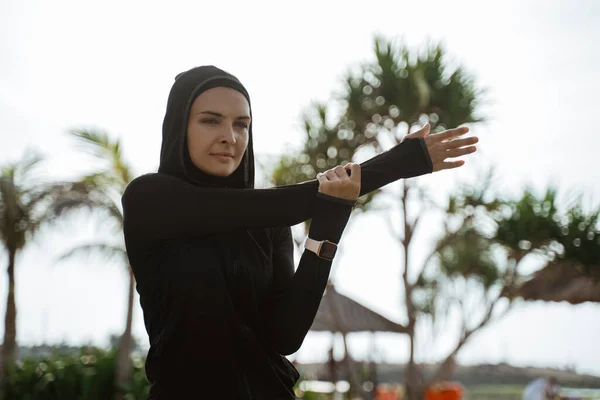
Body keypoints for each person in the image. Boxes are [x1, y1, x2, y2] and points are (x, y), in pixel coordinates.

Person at [121, 65, 478, 399]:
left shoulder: (269, 222)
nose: (229, 137)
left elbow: (285, 335)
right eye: (210, 121)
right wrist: (399, 162)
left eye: (242, 124)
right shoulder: (149, 200)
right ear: (179, 127)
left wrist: (329, 225)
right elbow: (288, 204)